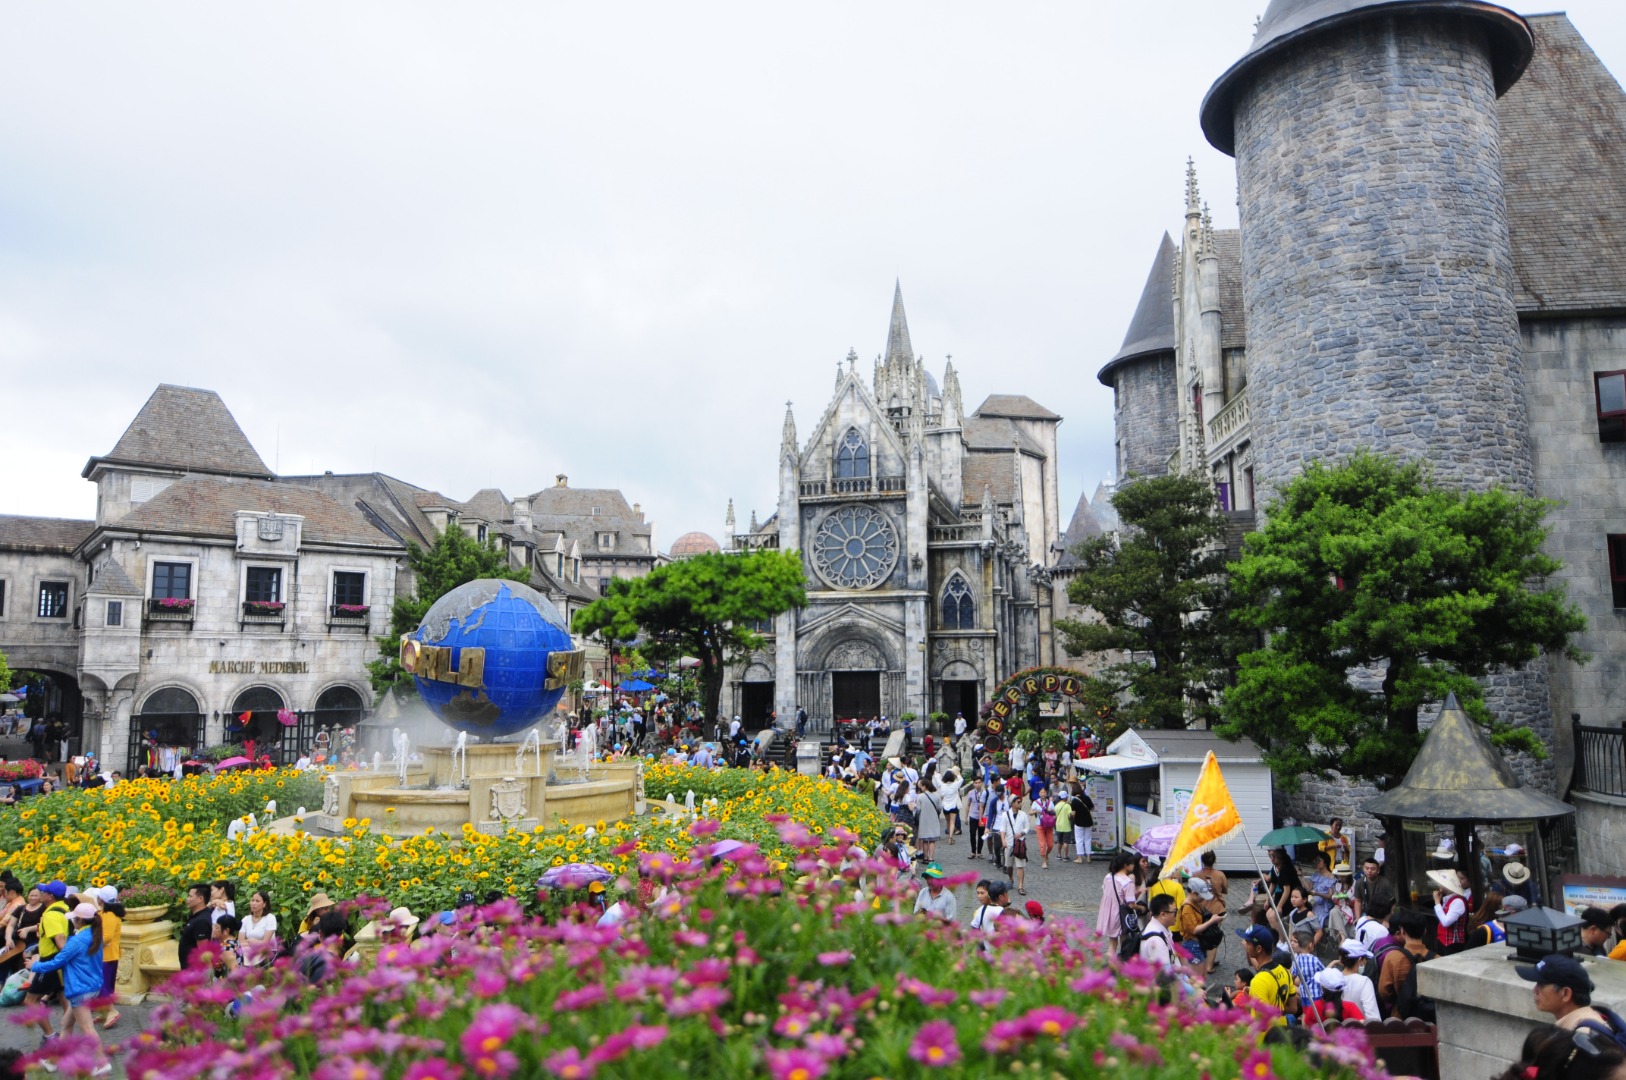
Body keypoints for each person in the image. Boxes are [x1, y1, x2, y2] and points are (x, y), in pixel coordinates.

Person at [24, 902, 110, 1076]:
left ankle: (101, 1063)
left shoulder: (78, 940)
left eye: (74, 919)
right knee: (66, 1024)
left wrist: (35, 965)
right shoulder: (95, 935)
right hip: (92, 985)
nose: (72, 922)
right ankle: (52, 1062)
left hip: (79, 989)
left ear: (79, 920)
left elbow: (57, 962)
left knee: (87, 1028)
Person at [23, 881, 70, 1044]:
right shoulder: (65, 908)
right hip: (61, 961)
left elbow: (60, 940)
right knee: (64, 999)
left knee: (30, 1001)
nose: (39, 893)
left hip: (51, 961)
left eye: (43, 892)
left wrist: (63, 958)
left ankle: (50, 1036)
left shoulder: (51, 915)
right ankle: (67, 1036)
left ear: (50, 896)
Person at [1516, 954, 1611, 1031]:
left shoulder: (1582, 1035)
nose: (1534, 990)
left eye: (1541, 984)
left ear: (1566, 993)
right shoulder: (1576, 1025)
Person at [1377, 910, 1435, 1019]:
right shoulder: (1438, 960)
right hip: (1431, 1018)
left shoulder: (1393, 957)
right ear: (1425, 931)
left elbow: (1384, 992)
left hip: (1401, 1017)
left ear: (1402, 932)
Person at [1237, 924, 1298, 1023]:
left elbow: (1260, 1020)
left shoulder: (1258, 981)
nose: (1245, 945)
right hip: (1281, 1029)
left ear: (1259, 949)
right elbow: (1293, 1008)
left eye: (1248, 943)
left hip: (1264, 1037)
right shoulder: (1284, 971)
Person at [1096, 852, 1144, 954]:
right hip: (1120, 915)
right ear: (1126, 865)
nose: (1133, 865)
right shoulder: (1127, 882)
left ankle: (1110, 965)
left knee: (1112, 943)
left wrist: (1138, 893)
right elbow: (1131, 904)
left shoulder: (1108, 877)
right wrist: (1141, 908)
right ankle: (1122, 964)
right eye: (1131, 863)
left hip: (1108, 912)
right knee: (1125, 942)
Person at [89, 886, 122, 1029]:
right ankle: (104, 1011)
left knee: (104, 986)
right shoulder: (103, 913)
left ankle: (111, 1011)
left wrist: (89, 945)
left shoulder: (109, 915)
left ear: (100, 899)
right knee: (102, 985)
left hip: (106, 956)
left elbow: (106, 937)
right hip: (103, 955)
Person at [1179, 876, 1224, 976]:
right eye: (1201, 896)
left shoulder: (1194, 903)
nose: (1203, 899)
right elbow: (1194, 930)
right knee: (1198, 979)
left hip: (1198, 944)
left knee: (1201, 976)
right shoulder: (1187, 908)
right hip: (1192, 945)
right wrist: (1211, 921)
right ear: (1194, 893)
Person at [1333, 939, 1382, 1021]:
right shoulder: (1364, 982)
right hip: (1359, 1031)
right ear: (1359, 960)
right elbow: (1373, 1018)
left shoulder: (1332, 979)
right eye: (1364, 959)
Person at [1430, 868, 1471, 955]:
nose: (1439, 884)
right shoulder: (1449, 899)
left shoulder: (1458, 901)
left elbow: (1446, 922)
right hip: (1443, 941)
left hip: (1453, 944)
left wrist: (1437, 903)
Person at [996, 796, 1032, 896]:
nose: (1020, 803)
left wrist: (1022, 833)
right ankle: (1011, 879)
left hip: (1020, 843)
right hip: (1009, 842)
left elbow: (1027, 827)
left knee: (1020, 866)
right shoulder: (1005, 815)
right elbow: (1002, 829)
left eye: (1020, 802)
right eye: (1018, 802)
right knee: (1009, 865)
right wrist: (1003, 841)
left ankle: (1021, 886)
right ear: (1012, 803)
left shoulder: (1023, 814)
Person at [178, 883, 215, 970]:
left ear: (200, 899)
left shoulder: (201, 921)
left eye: (190, 896)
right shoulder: (197, 916)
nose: (187, 899)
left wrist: (208, 977)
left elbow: (203, 952)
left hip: (194, 972)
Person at [1139, 894, 1179, 970]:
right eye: (1175, 912)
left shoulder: (1161, 929)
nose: (1177, 915)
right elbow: (1165, 974)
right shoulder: (1156, 940)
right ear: (1163, 914)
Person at [239, 890, 278, 967]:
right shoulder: (245, 919)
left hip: (266, 953)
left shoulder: (270, 918)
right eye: (252, 900)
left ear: (264, 904)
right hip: (248, 952)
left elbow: (266, 943)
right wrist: (252, 941)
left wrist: (249, 942)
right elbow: (240, 943)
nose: (254, 903)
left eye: (257, 901)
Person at [915, 780, 944, 863]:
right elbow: (939, 807)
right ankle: (931, 858)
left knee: (925, 839)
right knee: (932, 840)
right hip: (933, 819)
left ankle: (925, 857)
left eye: (921, 786)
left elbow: (918, 810)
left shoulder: (920, 797)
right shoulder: (936, 796)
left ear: (924, 786)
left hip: (923, 820)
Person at [1032, 787, 1057, 870]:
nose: (1043, 794)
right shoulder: (1036, 802)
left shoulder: (1050, 802)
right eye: (1041, 792)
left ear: (1046, 793)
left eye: (1044, 792)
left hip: (1049, 825)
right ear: (1039, 793)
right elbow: (1030, 812)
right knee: (1042, 844)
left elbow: (1054, 813)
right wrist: (1036, 811)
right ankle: (1044, 861)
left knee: (1050, 844)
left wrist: (1051, 811)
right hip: (1040, 825)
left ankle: (1046, 855)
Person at [964, 778, 987, 861]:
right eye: (976, 783)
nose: (977, 784)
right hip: (973, 815)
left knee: (981, 834)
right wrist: (965, 817)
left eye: (979, 782)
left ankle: (979, 852)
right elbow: (968, 805)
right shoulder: (971, 793)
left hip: (983, 816)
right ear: (973, 784)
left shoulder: (985, 793)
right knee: (972, 834)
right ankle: (973, 851)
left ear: (981, 783)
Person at [1071, 784, 1094, 863]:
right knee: (1088, 839)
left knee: (1079, 840)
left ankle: (1080, 858)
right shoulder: (1087, 798)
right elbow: (1092, 808)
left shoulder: (1074, 801)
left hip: (1079, 822)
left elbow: (1073, 813)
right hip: (1088, 821)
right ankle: (1088, 857)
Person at [1053, 788, 1074, 863]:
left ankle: (1059, 855)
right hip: (1066, 826)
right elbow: (1070, 816)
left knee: (1059, 841)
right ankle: (1065, 856)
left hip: (1058, 826)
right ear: (1065, 797)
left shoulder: (1056, 805)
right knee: (1066, 842)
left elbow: (1054, 816)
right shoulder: (1068, 806)